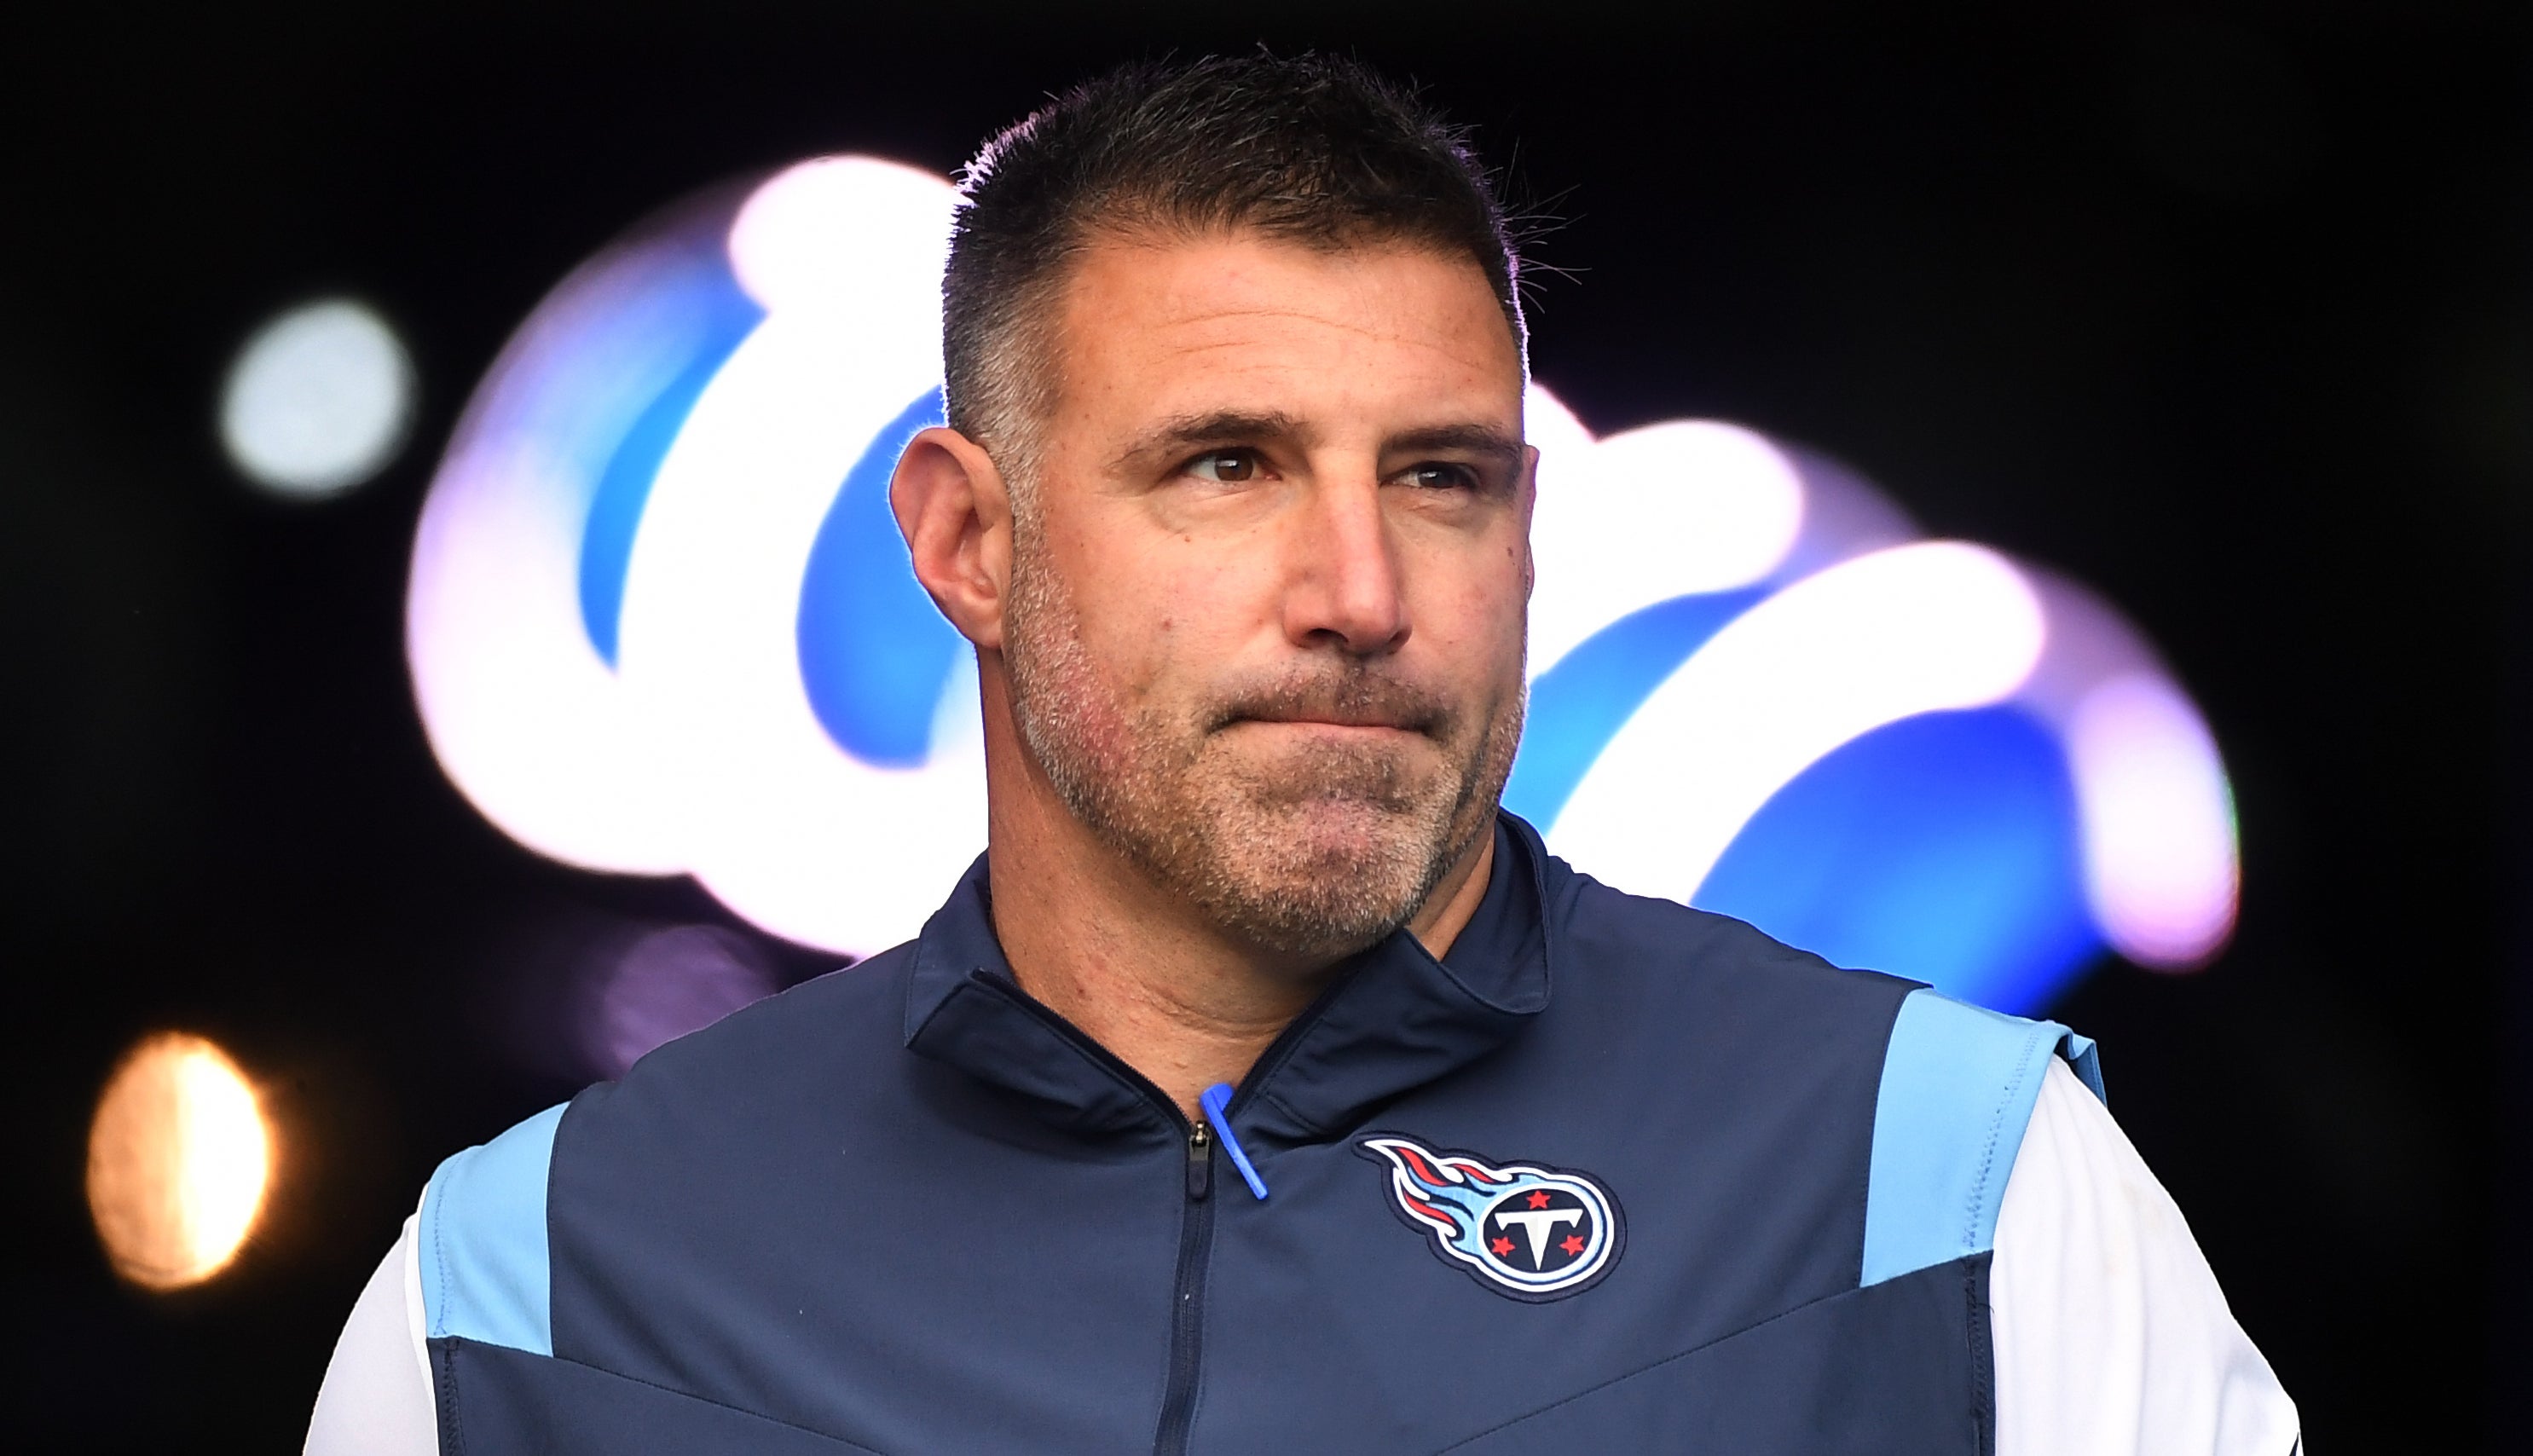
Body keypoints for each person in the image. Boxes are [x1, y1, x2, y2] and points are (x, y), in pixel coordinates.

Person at [305, 54, 2299, 1455]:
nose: (1359, 590)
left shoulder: (1952, 1183)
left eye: (1439, 477)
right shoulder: (536, 1287)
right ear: (965, 540)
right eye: (1225, 465)